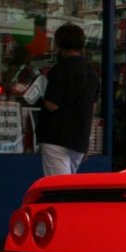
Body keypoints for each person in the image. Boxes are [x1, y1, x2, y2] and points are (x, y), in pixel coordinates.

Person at [36, 23, 99, 176]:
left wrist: (38, 99)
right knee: (68, 184)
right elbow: (93, 108)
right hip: (79, 139)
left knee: (58, 188)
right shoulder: (92, 73)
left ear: (59, 44)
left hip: (56, 137)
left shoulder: (60, 70)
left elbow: (52, 105)